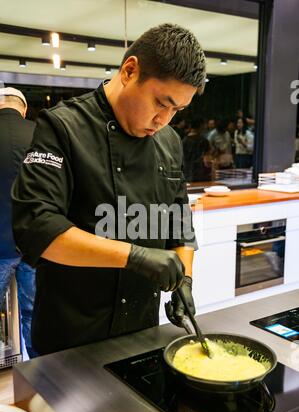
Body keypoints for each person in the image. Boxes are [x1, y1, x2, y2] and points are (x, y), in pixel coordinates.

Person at [12, 24, 206, 355]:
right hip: (71, 336)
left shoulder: (169, 142)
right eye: (161, 103)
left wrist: (183, 280)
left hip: (140, 331)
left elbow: (179, 224)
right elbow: (36, 227)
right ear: (130, 71)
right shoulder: (63, 127)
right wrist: (136, 256)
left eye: (177, 110)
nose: (164, 120)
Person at [0, 87, 37, 358]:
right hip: (33, 245)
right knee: (33, 315)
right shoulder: (39, 135)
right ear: (23, 109)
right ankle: (39, 378)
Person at [182, 118, 211, 182]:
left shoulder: (184, 141)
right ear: (201, 126)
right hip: (201, 174)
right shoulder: (204, 141)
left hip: (187, 173)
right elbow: (207, 161)